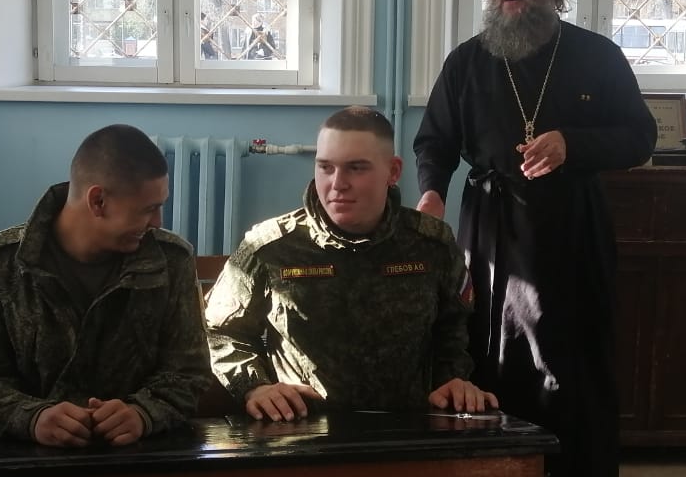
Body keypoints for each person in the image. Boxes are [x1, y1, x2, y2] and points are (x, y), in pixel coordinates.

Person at [413, 0, 656, 477]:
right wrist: (432, 191)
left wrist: (573, 143)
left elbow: (639, 137)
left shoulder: (596, 55)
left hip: (572, 233)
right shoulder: (468, 61)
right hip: (491, 232)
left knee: (572, 372)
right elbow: (434, 140)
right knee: (492, 367)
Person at [205, 106, 496, 420]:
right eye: (325, 167)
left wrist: (453, 380)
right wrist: (255, 386)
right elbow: (219, 331)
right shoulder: (271, 247)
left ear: (393, 171)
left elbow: (455, 327)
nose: (338, 183)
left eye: (356, 168)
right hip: (301, 428)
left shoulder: (431, 244)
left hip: (409, 426)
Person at [0, 123, 211, 448]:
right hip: (24, 457)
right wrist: (32, 419)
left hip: (137, 455)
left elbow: (189, 373)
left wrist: (143, 413)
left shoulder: (172, 261)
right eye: (148, 209)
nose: (158, 223)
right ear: (98, 201)